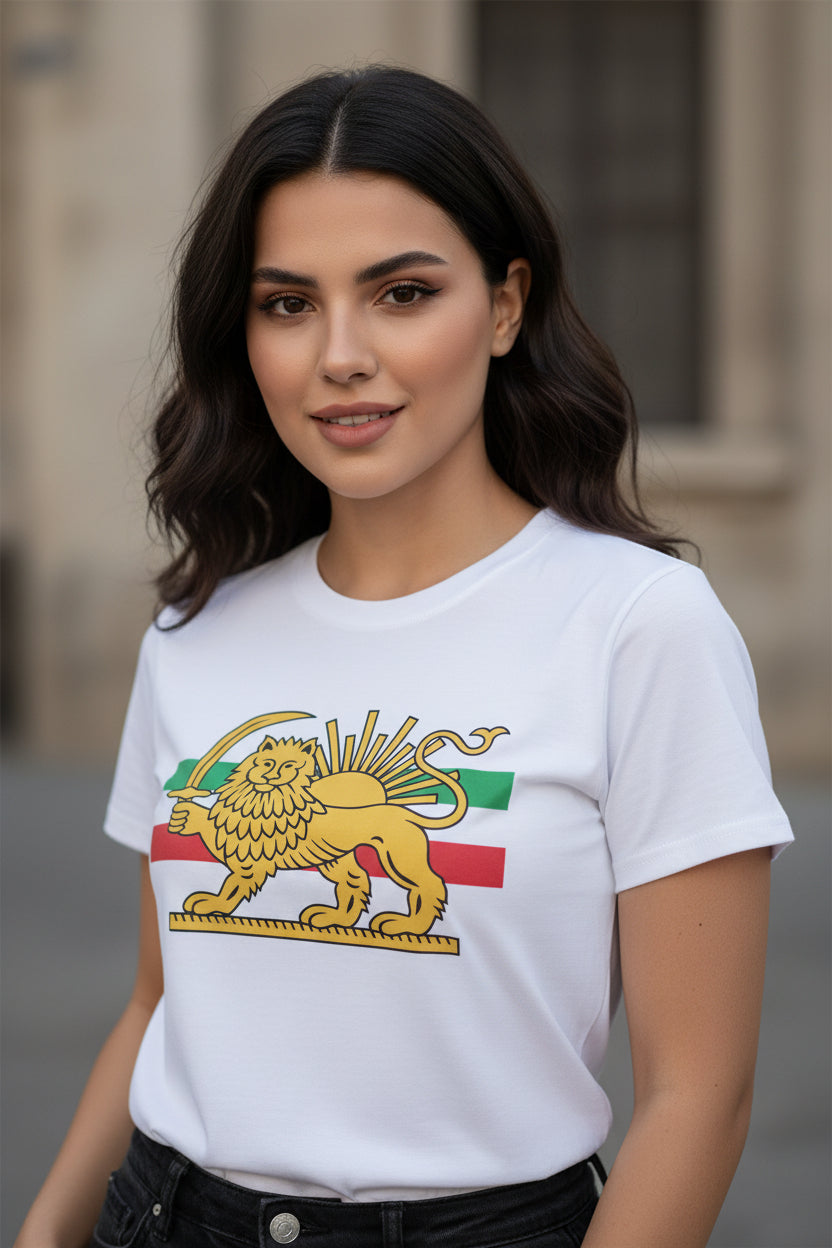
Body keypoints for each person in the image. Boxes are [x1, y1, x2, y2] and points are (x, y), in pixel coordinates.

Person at [16, 65, 792, 1248]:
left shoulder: (639, 624)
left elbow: (698, 1097)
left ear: (501, 306)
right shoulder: (196, 632)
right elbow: (156, 1004)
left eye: (400, 293)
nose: (339, 355)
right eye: (287, 304)